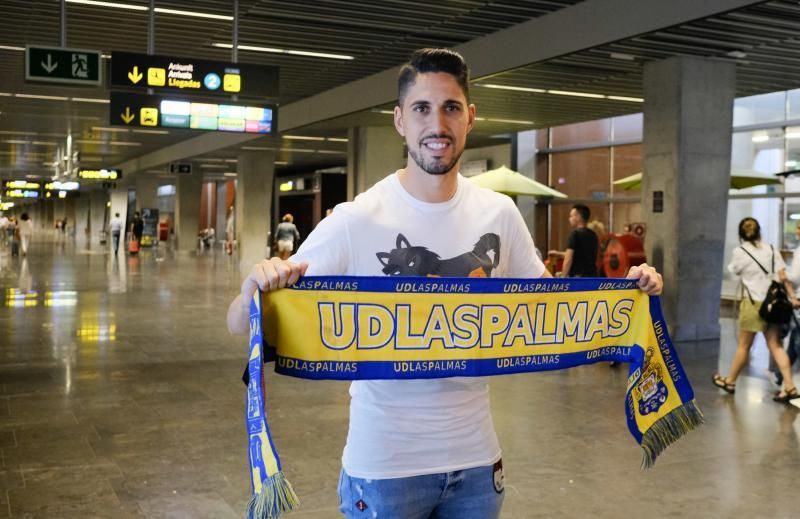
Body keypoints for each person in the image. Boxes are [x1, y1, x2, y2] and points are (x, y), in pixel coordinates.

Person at [226, 48, 663, 519]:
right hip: (384, 471)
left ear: (470, 117)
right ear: (399, 120)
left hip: (477, 466)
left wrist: (629, 292)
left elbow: (553, 307)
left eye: (451, 107)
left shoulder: (499, 213)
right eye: (422, 109)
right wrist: (256, 283)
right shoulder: (356, 219)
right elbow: (240, 323)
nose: (438, 124)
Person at [714, 217, 800, 402]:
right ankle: (790, 386)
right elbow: (783, 276)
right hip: (773, 304)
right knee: (776, 346)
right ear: (759, 231)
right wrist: (792, 297)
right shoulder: (771, 249)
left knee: (744, 345)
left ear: (740, 234)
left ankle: (730, 382)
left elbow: (733, 270)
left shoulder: (740, 251)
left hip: (753, 304)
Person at [772, 221, 800, 388]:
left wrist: (783, 275)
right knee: (795, 339)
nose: (797, 231)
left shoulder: (799, 252)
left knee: (797, 340)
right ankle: (781, 374)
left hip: (797, 300)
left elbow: (795, 276)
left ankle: (783, 376)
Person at [548, 204, 599, 277]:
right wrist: (558, 254)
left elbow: (569, 258)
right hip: (592, 277)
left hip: (577, 278)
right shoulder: (593, 235)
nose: (569, 219)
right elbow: (581, 255)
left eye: (571, 216)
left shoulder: (575, 234)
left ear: (578, 217)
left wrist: (563, 276)